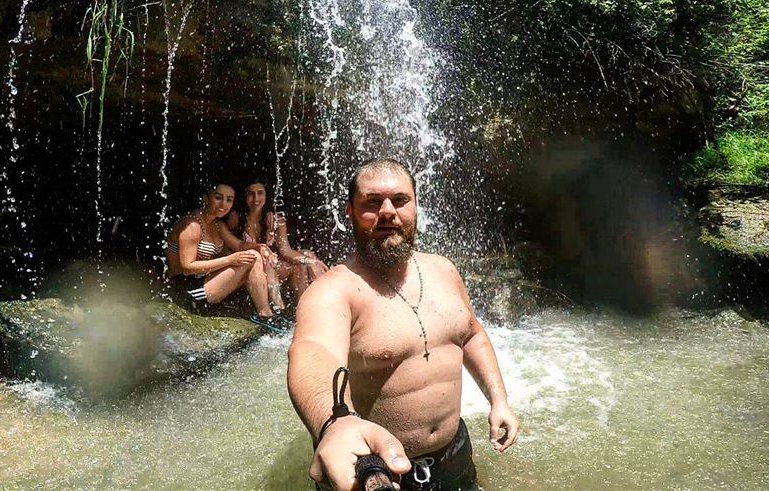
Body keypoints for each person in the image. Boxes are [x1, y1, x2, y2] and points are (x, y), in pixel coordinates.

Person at [287, 159, 518, 491]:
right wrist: (335, 424)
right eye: (371, 202)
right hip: (375, 473)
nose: (387, 211)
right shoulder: (333, 290)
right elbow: (313, 352)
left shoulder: (444, 271)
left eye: (399, 200)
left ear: (415, 207)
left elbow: (471, 335)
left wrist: (499, 401)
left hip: (454, 454)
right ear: (350, 212)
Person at [165, 182, 286, 330]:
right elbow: (187, 267)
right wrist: (229, 259)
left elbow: (239, 246)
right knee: (251, 257)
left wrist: (262, 247)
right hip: (186, 291)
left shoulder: (217, 225)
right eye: (218, 197)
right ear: (205, 198)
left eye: (229, 199)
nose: (224, 204)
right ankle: (265, 314)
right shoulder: (192, 226)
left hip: (204, 281)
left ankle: (271, 312)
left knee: (254, 255)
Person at [230, 181, 328, 303]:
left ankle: (308, 305)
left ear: (267, 195)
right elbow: (230, 246)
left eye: (260, 193)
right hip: (247, 269)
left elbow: (285, 251)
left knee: (305, 258)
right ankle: (278, 307)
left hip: (271, 268)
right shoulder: (236, 218)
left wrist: (310, 261)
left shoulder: (277, 220)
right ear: (245, 196)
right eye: (251, 194)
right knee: (268, 261)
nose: (256, 198)